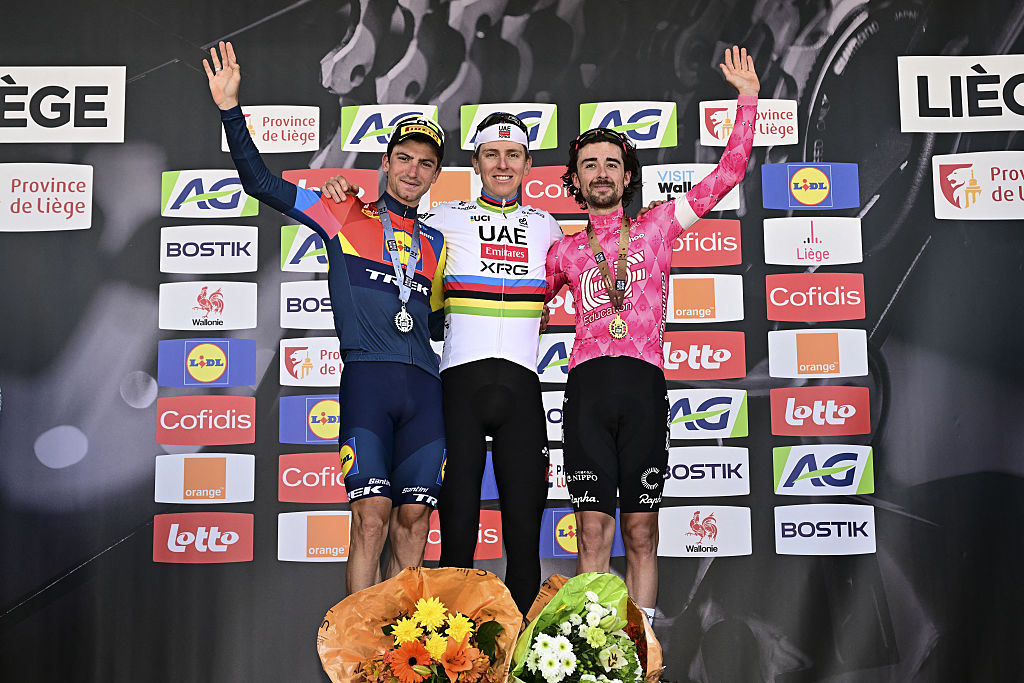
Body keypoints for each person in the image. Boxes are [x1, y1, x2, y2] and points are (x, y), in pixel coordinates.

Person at [204, 41, 448, 595]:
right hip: (369, 382)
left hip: (425, 388)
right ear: (385, 164)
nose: (413, 170)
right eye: (404, 158)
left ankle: (410, 656)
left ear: (435, 176)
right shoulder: (340, 212)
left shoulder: (436, 242)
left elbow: (435, 324)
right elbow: (259, 184)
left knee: (415, 525)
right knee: (369, 521)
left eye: (425, 163)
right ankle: (364, 657)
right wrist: (230, 109)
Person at [544, 45, 760, 621]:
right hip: (586, 392)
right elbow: (520, 307)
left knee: (641, 534)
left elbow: (729, 173)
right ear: (575, 180)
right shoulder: (563, 249)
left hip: (643, 389)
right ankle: (593, 652)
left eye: (612, 164)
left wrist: (747, 98)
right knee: (592, 537)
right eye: (590, 164)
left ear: (628, 176)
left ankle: (643, 656)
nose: (601, 173)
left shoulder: (660, 226)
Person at [321, 113, 562, 615]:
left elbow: (558, 290)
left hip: (522, 389)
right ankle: (450, 656)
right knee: (454, 531)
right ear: (475, 164)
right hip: (454, 386)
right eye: (491, 154)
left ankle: (515, 660)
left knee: (524, 531)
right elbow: (414, 298)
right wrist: (341, 190)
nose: (502, 163)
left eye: (513, 154)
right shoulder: (440, 223)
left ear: (528, 164)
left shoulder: (548, 227)